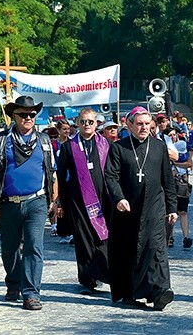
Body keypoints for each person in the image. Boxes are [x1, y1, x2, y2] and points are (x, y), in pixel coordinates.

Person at [0, 96, 58, 311]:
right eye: (23, 114)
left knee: (34, 246)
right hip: (8, 202)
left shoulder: (44, 141)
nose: (28, 118)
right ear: (14, 116)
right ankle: (13, 283)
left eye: (32, 114)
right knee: (9, 247)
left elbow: (52, 173)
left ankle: (31, 293)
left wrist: (54, 201)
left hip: (36, 201)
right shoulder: (1, 140)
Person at [104, 106, 178, 311]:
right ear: (129, 125)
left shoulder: (159, 146)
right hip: (128, 209)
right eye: (139, 124)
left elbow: (167, 179)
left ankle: (160, 291)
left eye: (147, 124)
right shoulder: (119, 148)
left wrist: (172, 207)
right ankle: (130, 292)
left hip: (155, 205)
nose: (144, 127)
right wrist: (118, 198)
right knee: (130, 250)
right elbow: (110, 176)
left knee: (156, 248)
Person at [57, 108, 112, 294]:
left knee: (102, 237)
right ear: (77, 124)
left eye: (90, 121)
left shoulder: (106, 145)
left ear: (97, 124)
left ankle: (105, 273)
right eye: (83, 122)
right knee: (83, 240)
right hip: (77, 201)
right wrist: (61, 203)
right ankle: (87, 279)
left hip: (103, 200)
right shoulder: (68, 147)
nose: (87, 125)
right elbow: (61, 175)